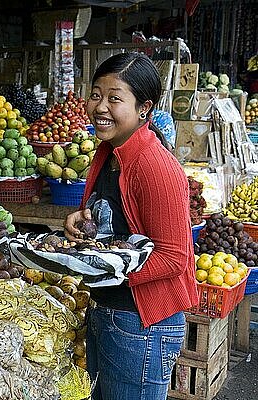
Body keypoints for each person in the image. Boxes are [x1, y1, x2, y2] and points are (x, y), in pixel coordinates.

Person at [64, 52, 199, 400]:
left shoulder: (154, 166)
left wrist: (102, 269)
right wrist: (83, 222)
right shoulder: (108, 152)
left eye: (114, 98)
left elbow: (174, 257)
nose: (100, 106)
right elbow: (114, 224)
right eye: (96, 94)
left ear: (144, 108)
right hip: (110, 312)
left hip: (140, 323)